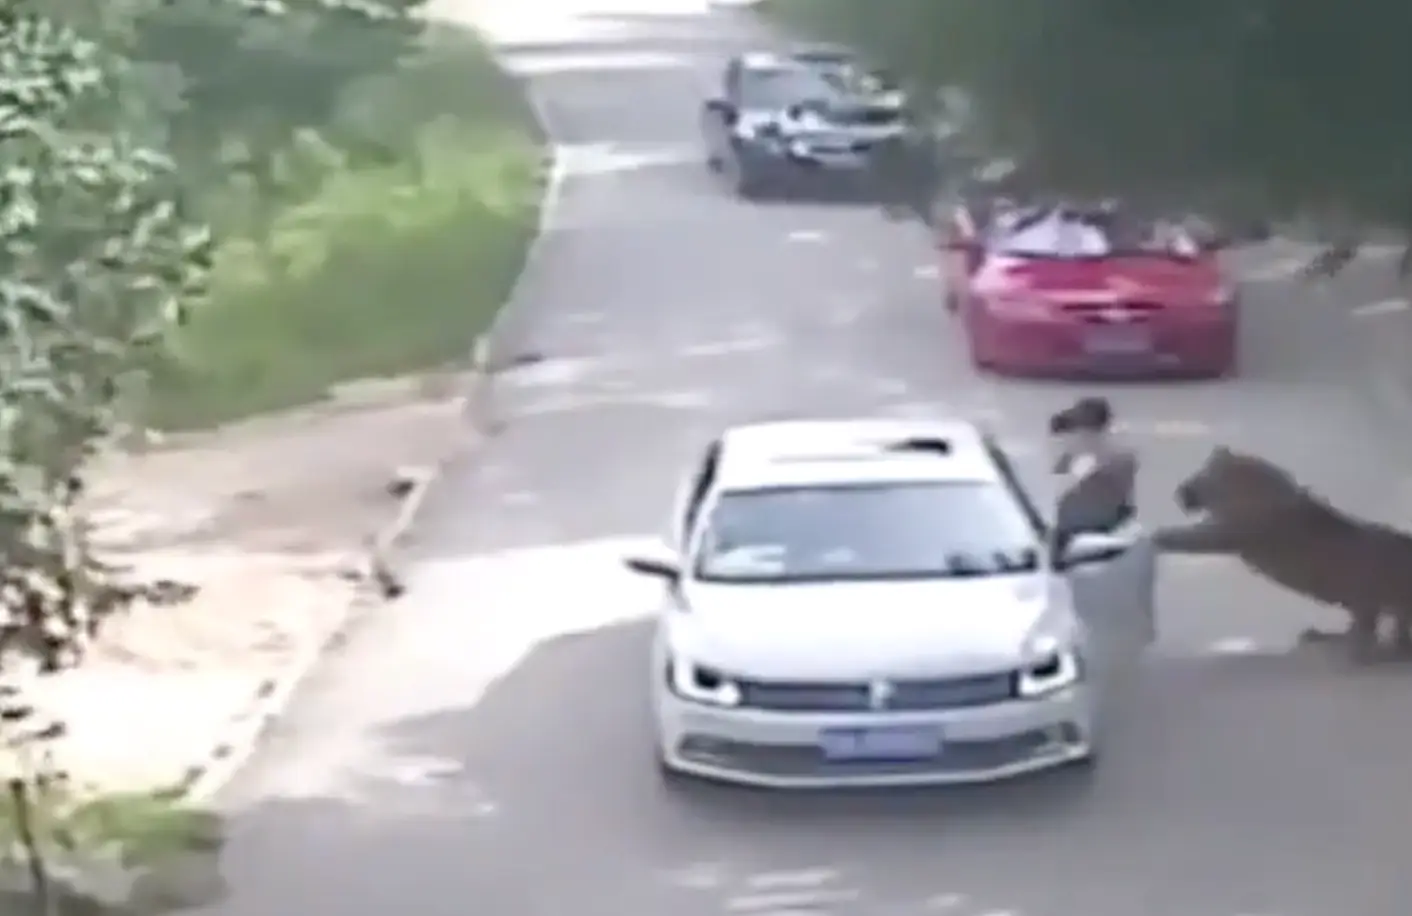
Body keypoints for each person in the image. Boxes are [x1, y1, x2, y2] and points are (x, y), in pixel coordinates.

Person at [1049, 397, 1138, 546]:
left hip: (1087, 531)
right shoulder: (1124, 455)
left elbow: (1063, 487)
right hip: (1111, 527)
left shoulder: (1085, 456)